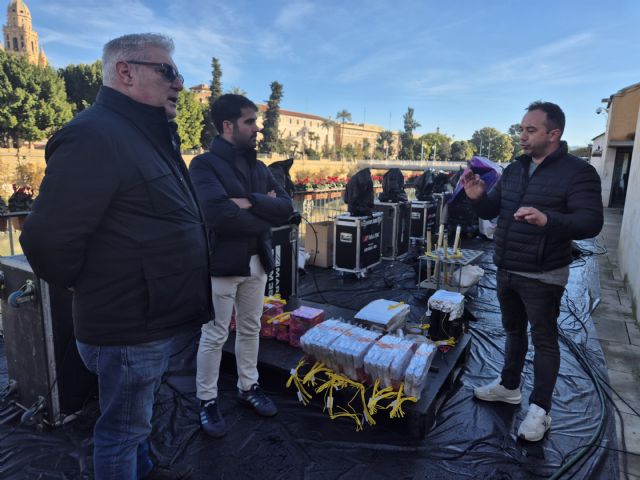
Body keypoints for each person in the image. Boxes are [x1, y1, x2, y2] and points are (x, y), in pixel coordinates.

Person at [20, 33, 211, 479]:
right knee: (121, 433)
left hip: (146, 322)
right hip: (127, 329)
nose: (179, 83)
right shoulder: (96, 135)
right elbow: (46, 239)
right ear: (125, 72)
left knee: (134, 423)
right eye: (168, 71)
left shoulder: (140, 134)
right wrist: (86, 287)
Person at [463, 101, 603, 442]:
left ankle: (540, 410)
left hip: (543, 272)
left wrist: (548, 219)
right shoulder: (514, 169)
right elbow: (494, 207)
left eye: (530, 130)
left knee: (544, 339)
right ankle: (510, 386)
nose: (522, 135)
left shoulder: (577, 172)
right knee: (513, 331)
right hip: (508, 266)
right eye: (521, 129)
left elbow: (591, 222)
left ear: (553, 134)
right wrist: (478, 197)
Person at [189, 94, 293, 437]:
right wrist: (264, 211)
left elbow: (287, 210)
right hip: (222, 263)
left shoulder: (260, 168)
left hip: (256, 261)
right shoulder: (203, 166)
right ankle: (207, 400)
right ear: (228, 126)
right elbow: (218, 215)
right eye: (250, 121)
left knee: (250, 328)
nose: (257, 128)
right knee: (215, 334)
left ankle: (249, 387)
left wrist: (248, 204)